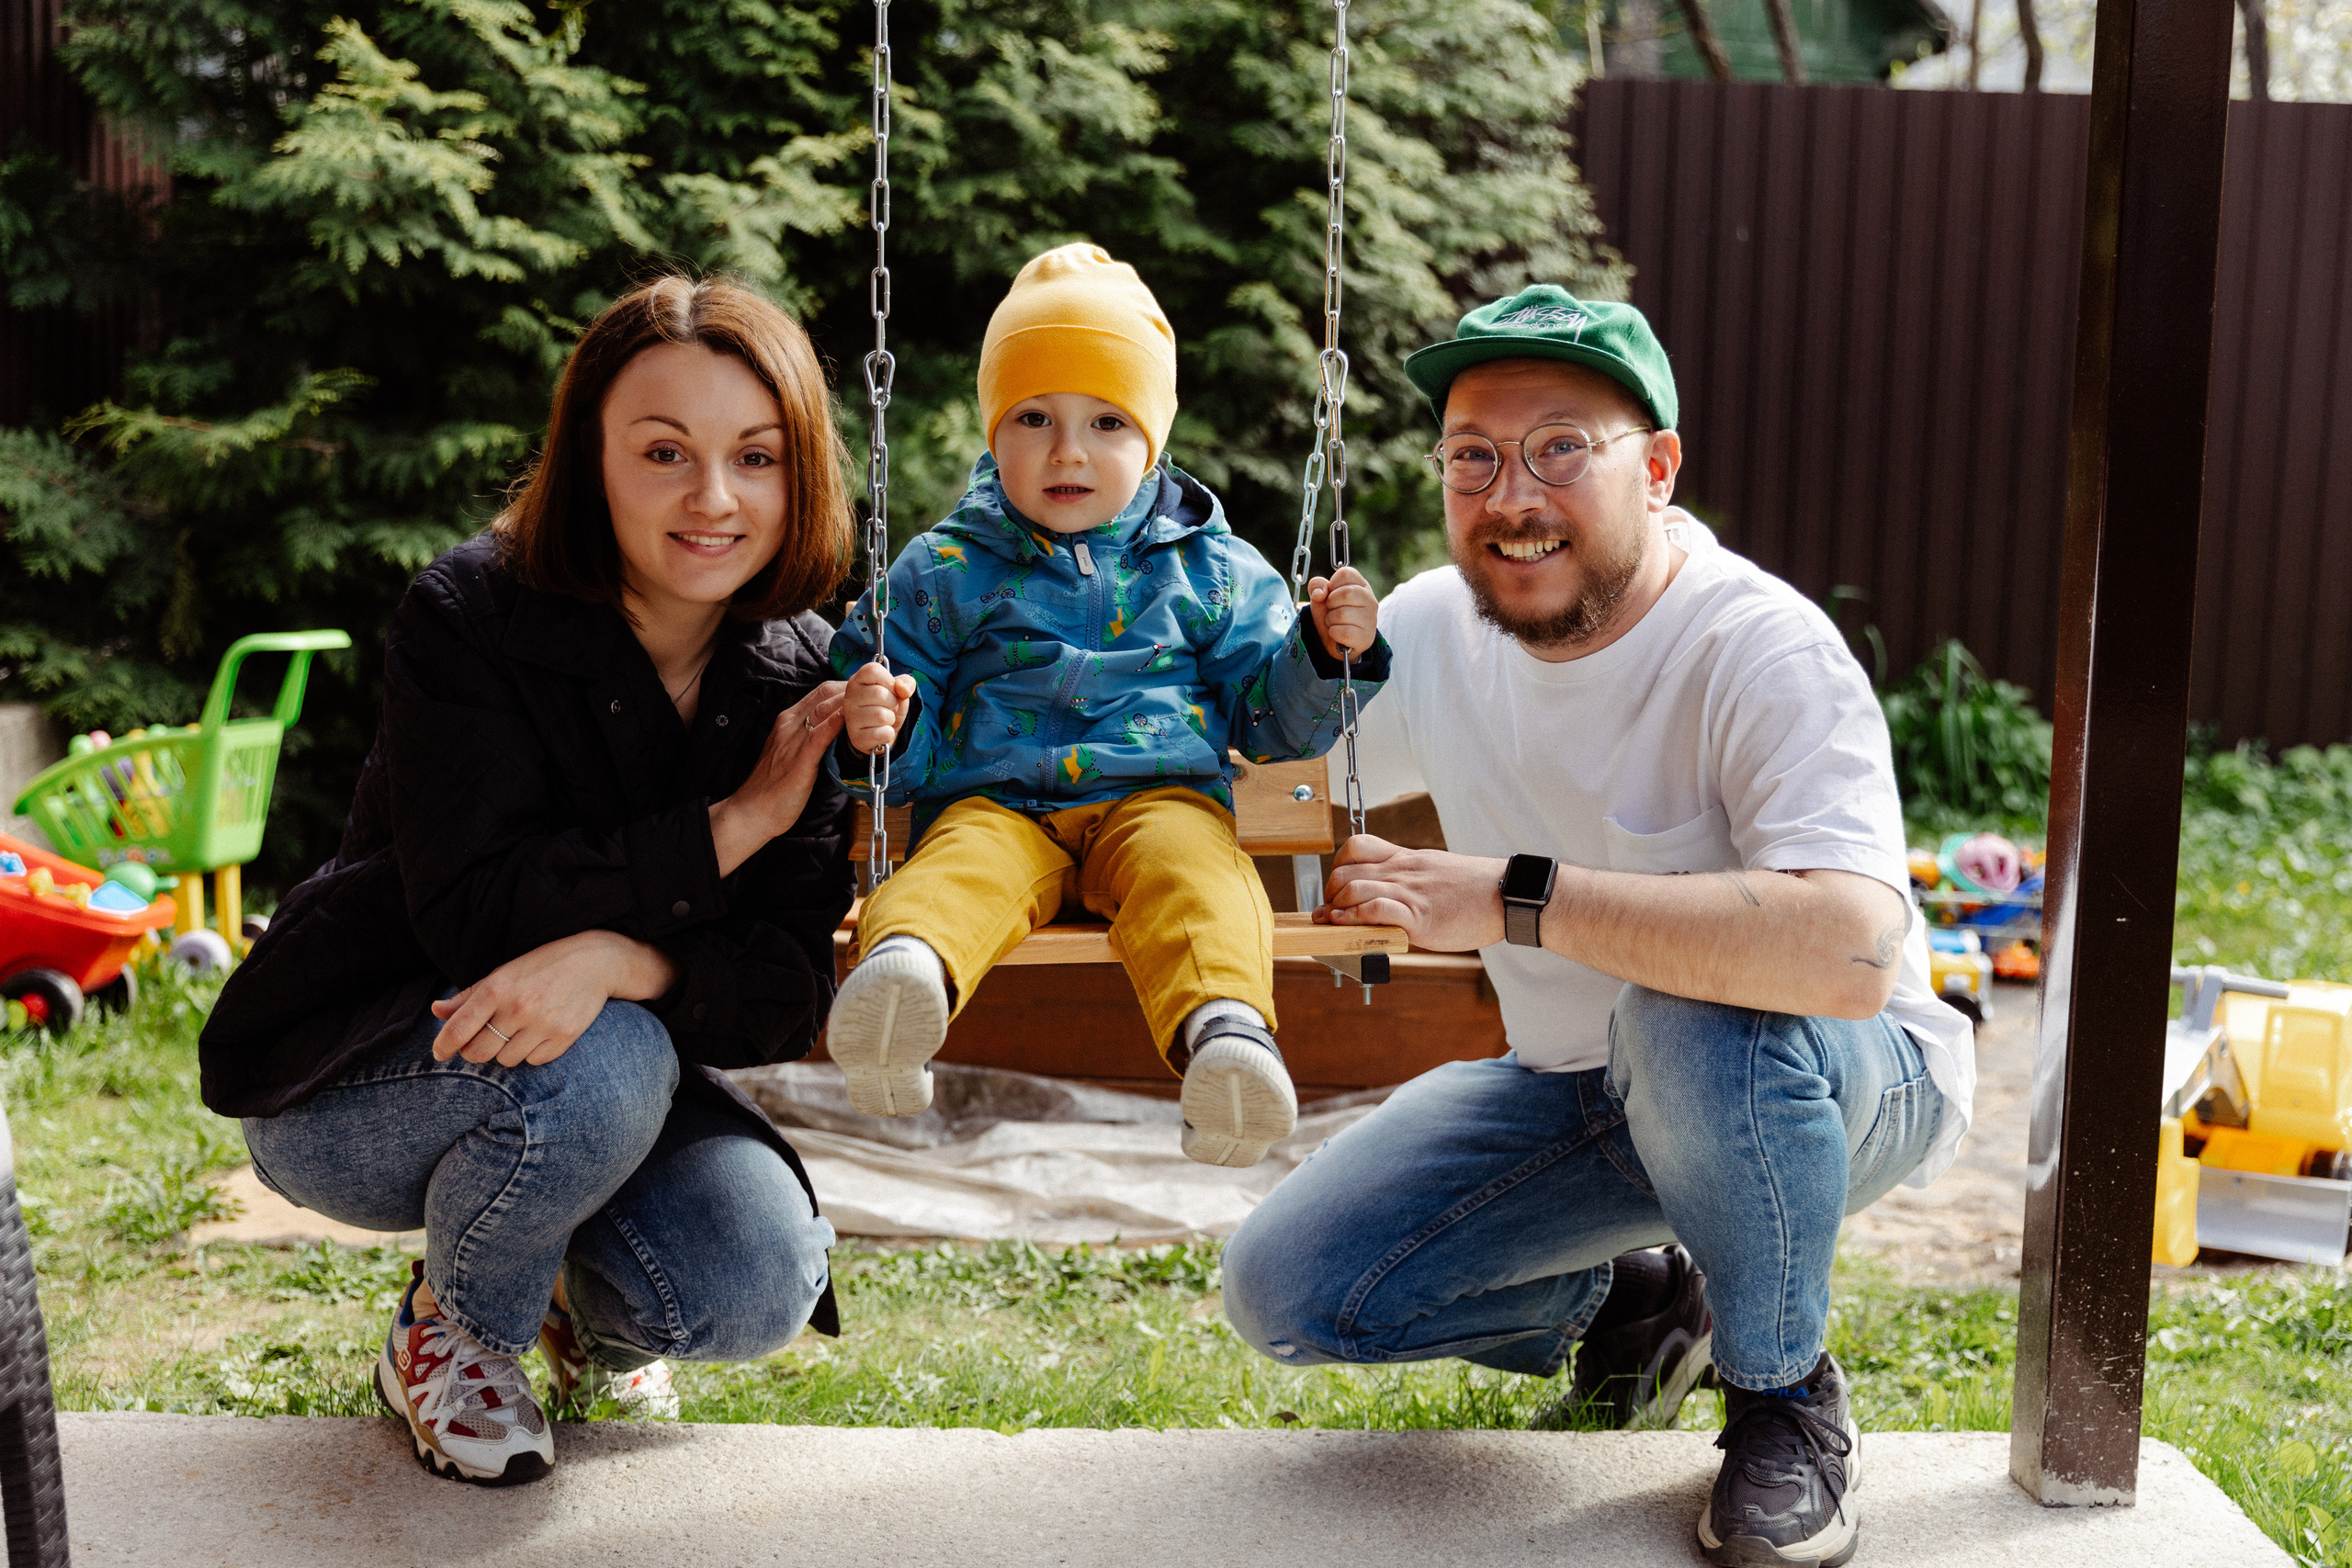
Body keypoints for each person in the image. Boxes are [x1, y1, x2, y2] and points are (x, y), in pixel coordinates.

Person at [1219, 286, 1973, 1568]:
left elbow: (1847, 949)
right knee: (1293, 1284)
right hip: (1581, 1087)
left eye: (1561, 447)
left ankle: (1785, 1401)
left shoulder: (1759, 645)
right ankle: (1642, 1294)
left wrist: (1517, 895)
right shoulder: (1428, 627)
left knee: (1687, 1008)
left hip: (1842, 1070)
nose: (1512, 494)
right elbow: (1257, 766)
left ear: (1659, 468)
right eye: (1474, 455)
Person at [199, 276, 860, 1486]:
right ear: (590, 458)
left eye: (754, 457)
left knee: (752, 1273)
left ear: (799, 472)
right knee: (610, 1059)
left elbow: (783, 986)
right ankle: (456, 1333)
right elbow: (472, 907)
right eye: (664, 451)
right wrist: (733, 822)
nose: (713, 498)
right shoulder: (468, 616)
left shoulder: (803, 674)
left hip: (604, 1078)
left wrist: (628, 956)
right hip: (362, 1068)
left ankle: (581, 1317)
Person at [822, 243, 1386, 1168]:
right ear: (992, 432)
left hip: (1158, 800)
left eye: (1108, 422)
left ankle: (1228, 1041)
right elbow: (893, 716)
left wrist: (1324, 654)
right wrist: (879, 723)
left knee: (1197, 881)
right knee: (954, 870)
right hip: (998, 803)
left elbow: (1271, 726)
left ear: (1152, 439)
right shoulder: (946, 566)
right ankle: (901, 989)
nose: (1068, 451)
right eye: (1033, 417)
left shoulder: (1209, 567)